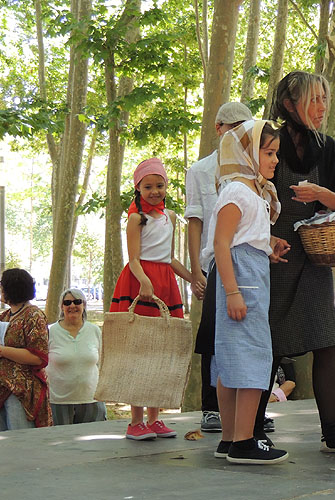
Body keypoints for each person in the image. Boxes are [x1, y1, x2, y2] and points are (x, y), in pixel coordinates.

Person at [255, 71, 335, 455]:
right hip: (273, 254)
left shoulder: (328, 147)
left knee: (325, 340)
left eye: (324, 99)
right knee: (268, 343)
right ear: (290, 104)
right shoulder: (268, 141)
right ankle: (252, 428)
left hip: (315, 254)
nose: (321, 108)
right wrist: (265, 240)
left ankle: (332, 432)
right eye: (313, 100)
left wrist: (322, 193)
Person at [205, 119, 289, 464]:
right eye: (268, 153)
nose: (275, 160)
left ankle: (229, 439)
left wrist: (268, 246)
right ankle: (243, 441)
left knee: (233, 356)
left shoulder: (252, 191)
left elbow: (243, 237)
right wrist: (233, 292)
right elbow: (222, 244)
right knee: (253, 355)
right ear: (248, 153)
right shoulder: (237, 191)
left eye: (275, 153)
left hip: (250, 273)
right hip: (242, 279)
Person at [110, 157, 193, 440]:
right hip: (140, 282)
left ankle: (155, 418)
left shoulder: (170, 217)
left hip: (165, 284)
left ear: (166, 186)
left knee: (161, 350)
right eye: (148, 186)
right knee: (139, 349)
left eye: (160, 185)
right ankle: (135, 422)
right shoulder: (135, 219)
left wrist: (193, 278)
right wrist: (145, 281)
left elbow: (169, 258)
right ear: (138, 188)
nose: (155, 191)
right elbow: (133, 259)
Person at [186, 101, 254, 433]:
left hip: (250, 262)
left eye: (245, 127)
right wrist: (195, 271)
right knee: (213, 335)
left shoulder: (254, 166)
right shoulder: (200, 170)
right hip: (215, 262)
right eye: (233, 126)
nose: (239, 133)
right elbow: (194, 220)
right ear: (219, 128)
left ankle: (250, 411)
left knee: (248, 335)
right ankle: (211, 407)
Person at [0, 268, 52, 430]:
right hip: (3, 389)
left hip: (22, 392)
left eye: (2, 285)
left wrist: (2, 351)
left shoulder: (34, 316)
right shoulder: (5, 316)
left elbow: (39, 357)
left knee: (20, 439)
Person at [46, 288, 106, 425]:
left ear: (84, 305)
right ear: (61, 306)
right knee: (61, 438)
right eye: (67, 303)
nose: (72, 306)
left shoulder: (94, 330)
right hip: (58, 401)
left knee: (92, 438)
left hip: (91, 399)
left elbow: (103, 362)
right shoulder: (50, 331)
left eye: (77, 302)